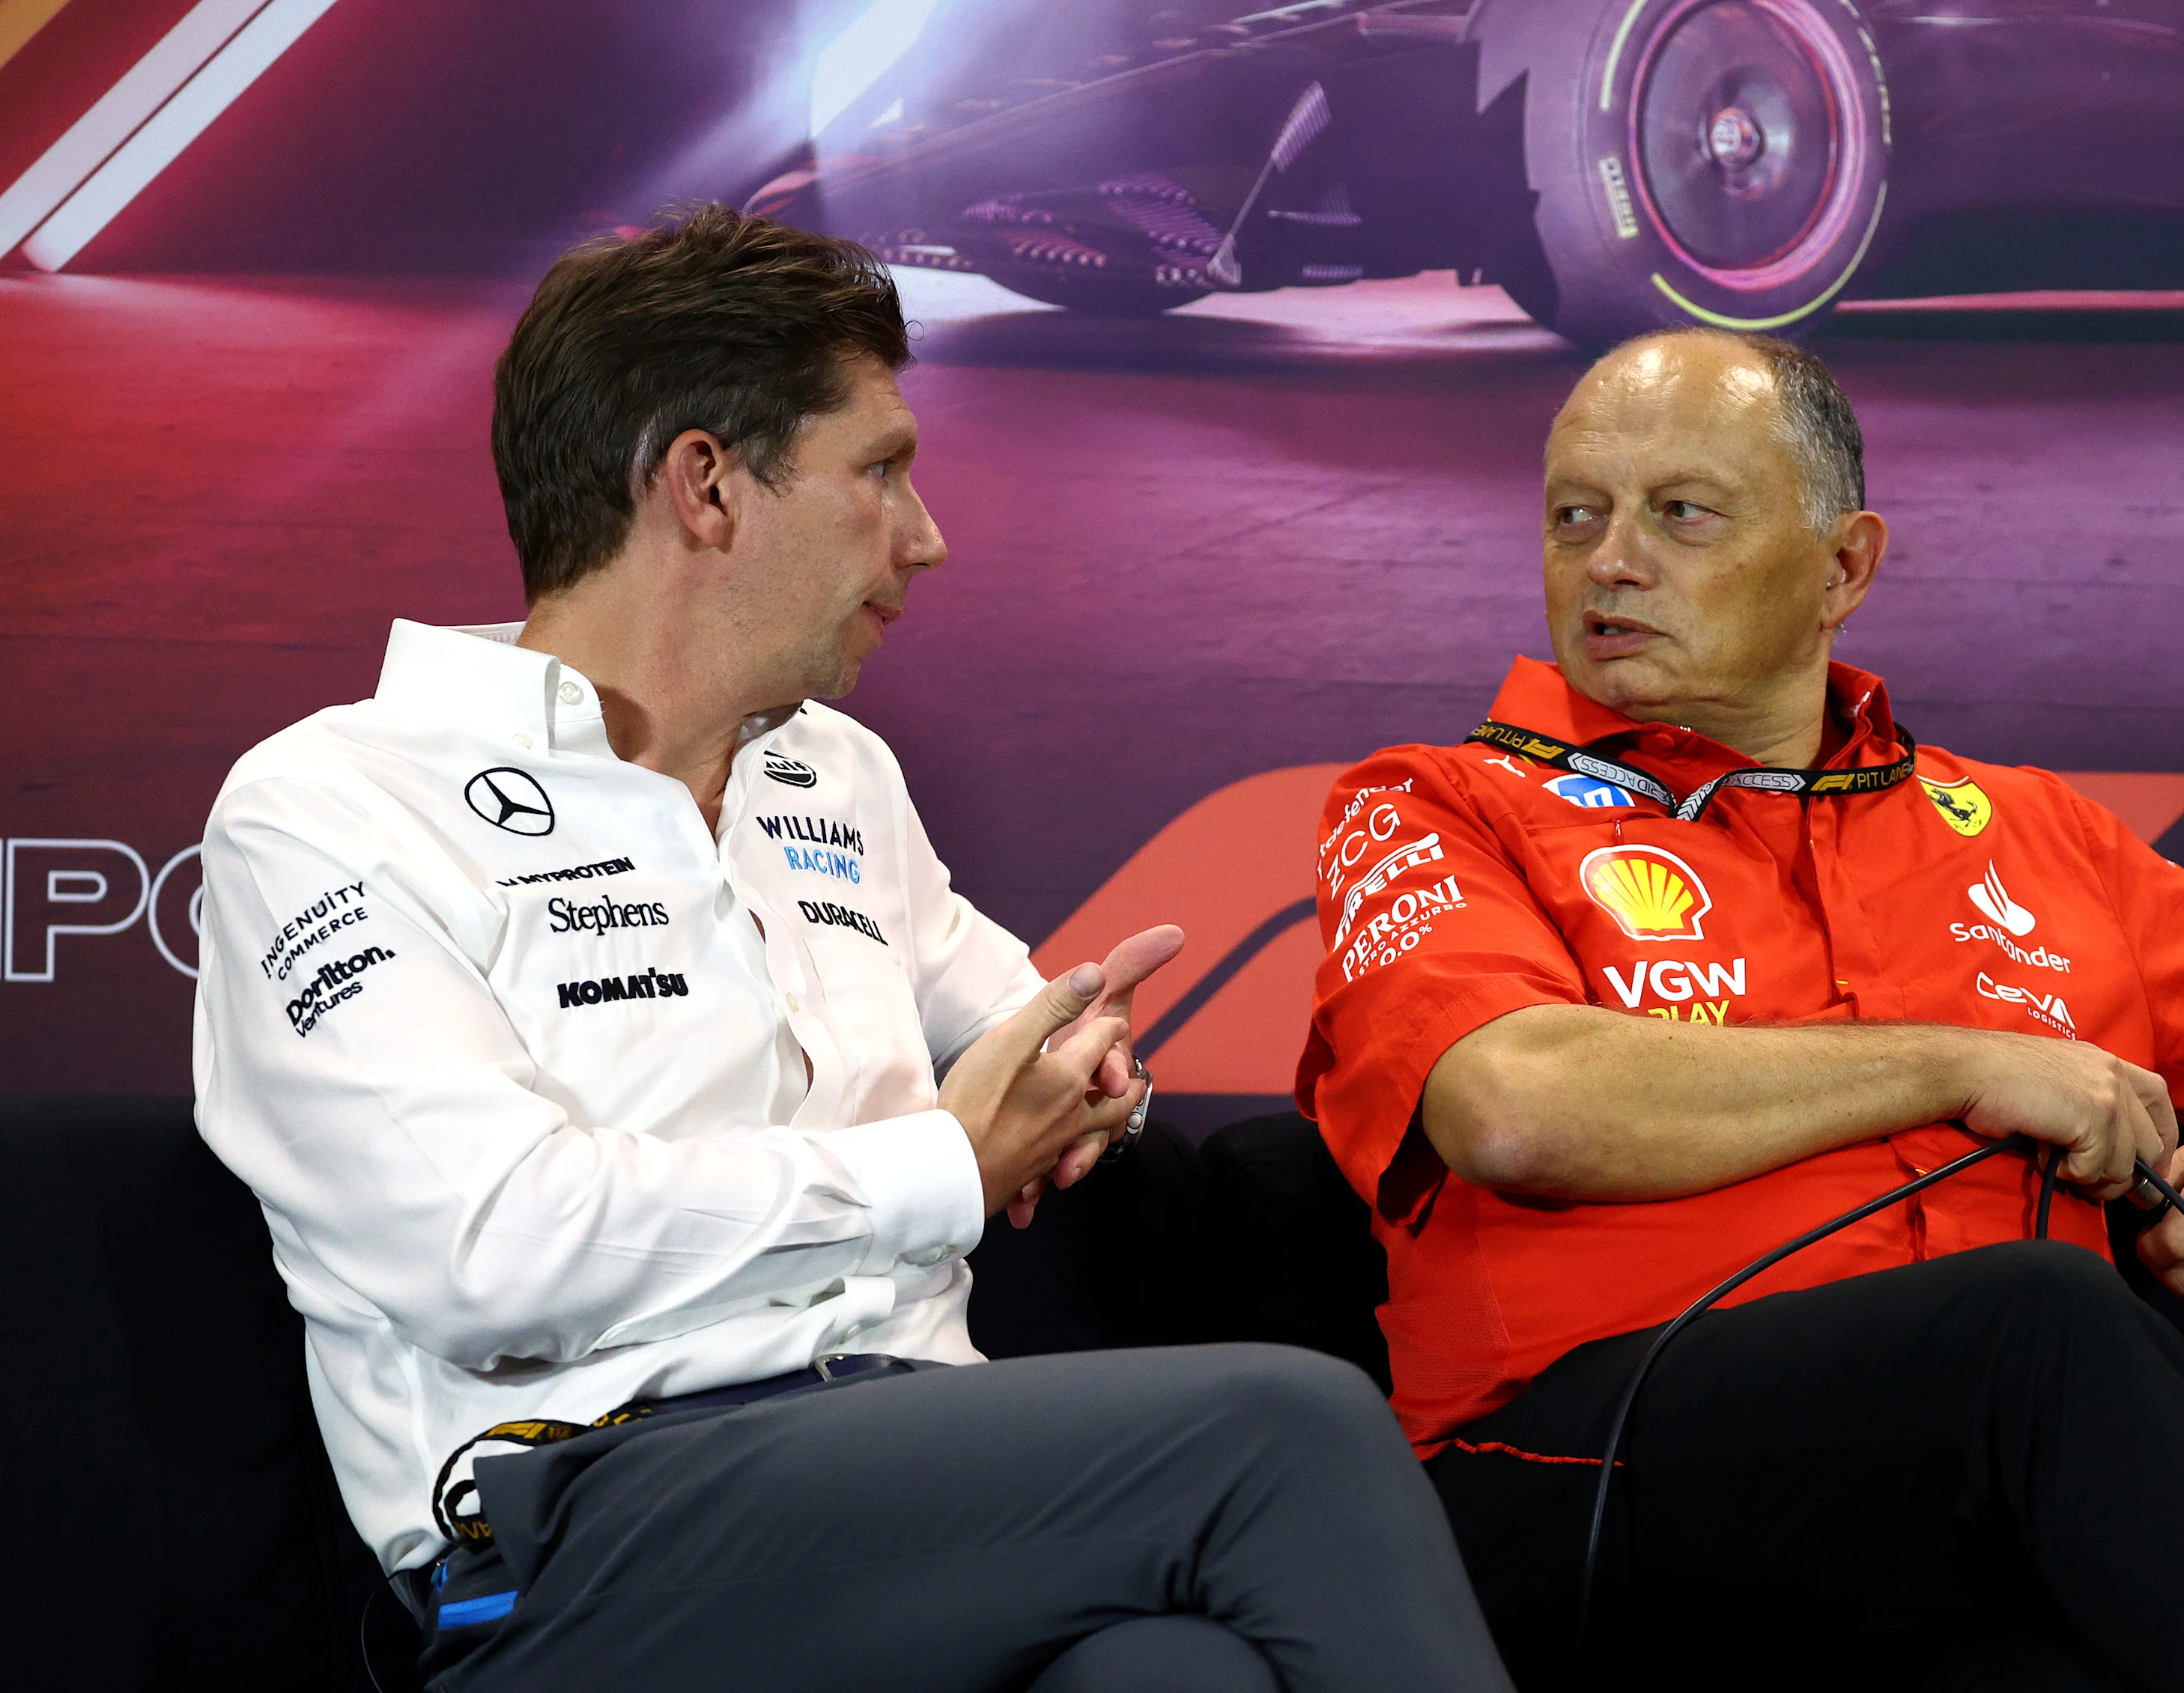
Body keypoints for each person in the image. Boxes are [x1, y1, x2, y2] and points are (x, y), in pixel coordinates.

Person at [193, 207, 1513, 1693]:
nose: (927, 534)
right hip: (574, 1536)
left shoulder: (833, 773)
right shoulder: (333, 802)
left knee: (1166, 1672)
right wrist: (944, 1166)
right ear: (704, 485)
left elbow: (1026, 1020)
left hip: (903, 1471)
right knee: (1294, 1429)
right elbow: (488, 1251)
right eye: (880, 469)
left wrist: (1089, 1071)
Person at [1295, 329, 2184, 1691]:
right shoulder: (1436, 805)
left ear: (1844, 566)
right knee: (2041, 1320)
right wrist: (1964, 1065)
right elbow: (1513, 1107)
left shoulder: (2035, 831)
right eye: (1576, 516)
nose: (1609, 562)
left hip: (1962, 1488)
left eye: (1680, 513)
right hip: (1575, 1469)